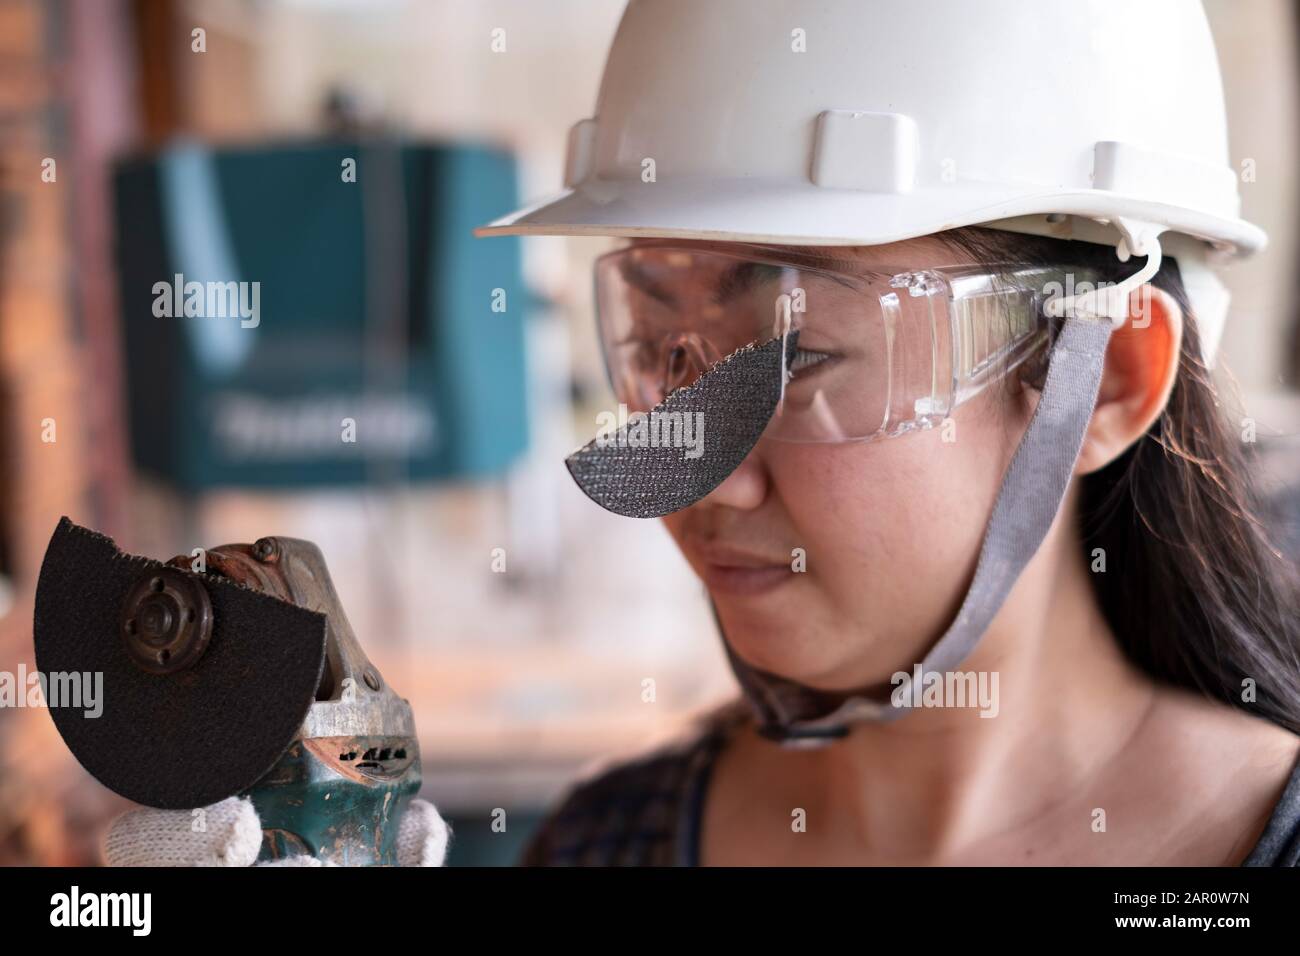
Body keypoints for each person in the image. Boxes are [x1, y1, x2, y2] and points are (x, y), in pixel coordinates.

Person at [475, 0, 1300, 865]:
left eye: (797, 364)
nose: (698, 474)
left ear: (1104, 382)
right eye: (656, 348)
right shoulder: (602, 845)